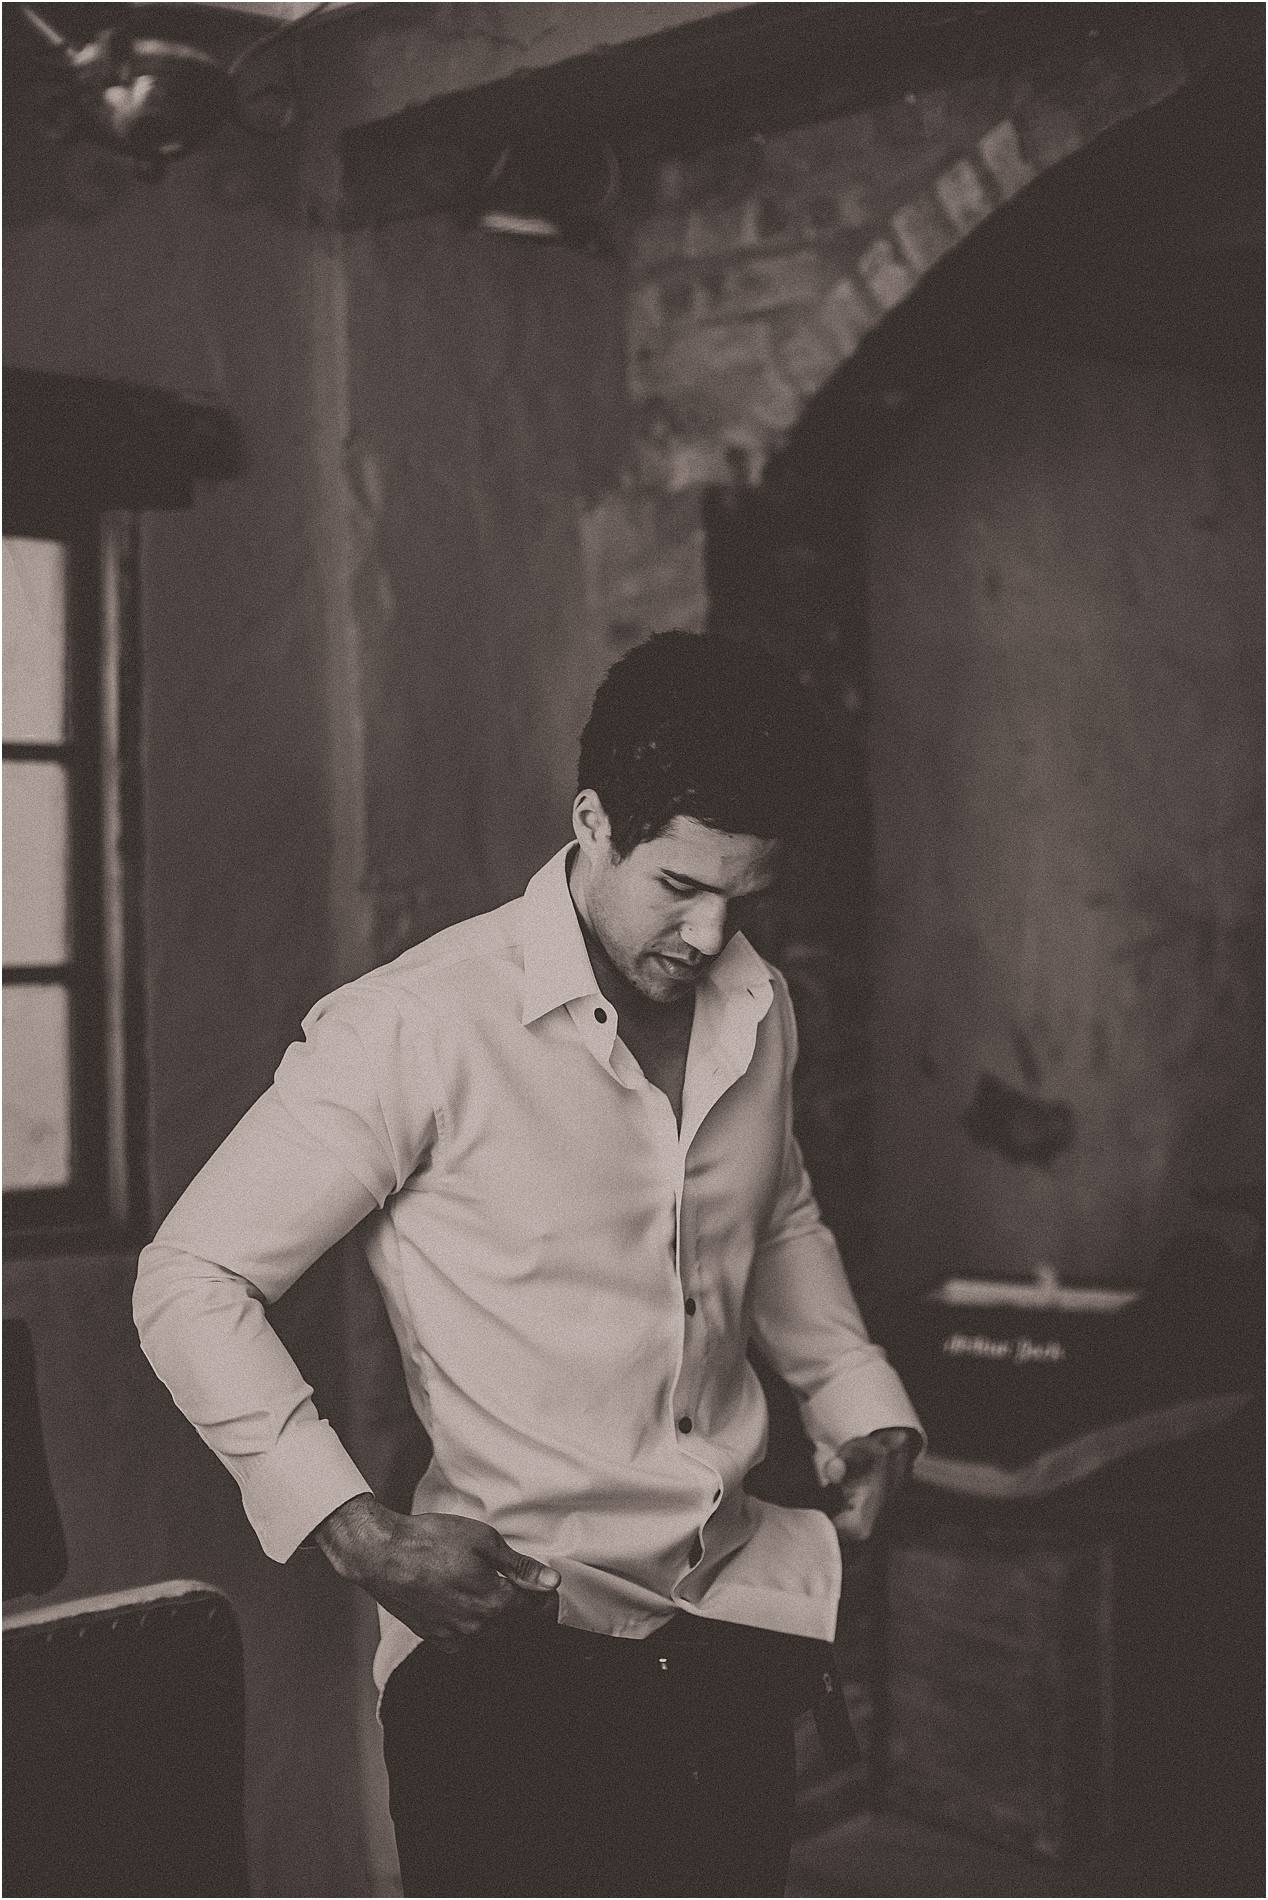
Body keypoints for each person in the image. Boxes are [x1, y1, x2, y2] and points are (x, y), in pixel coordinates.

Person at [134, 629, 923, 1898]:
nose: (710, 933)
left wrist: (854, 1396)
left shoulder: (758, 1003)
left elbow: (770, 1212)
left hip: (730, 1634)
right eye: (679, 885)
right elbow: (189, 1279)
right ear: (592, 819)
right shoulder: (414, 1024)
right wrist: (352, 1530)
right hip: (509, 1655)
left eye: (744, 896)